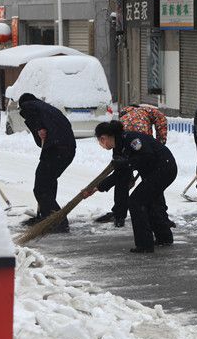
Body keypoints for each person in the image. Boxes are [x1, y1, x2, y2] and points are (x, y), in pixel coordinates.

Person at [87, 121, 177, 253]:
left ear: (104, 138)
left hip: (164, 168)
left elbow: (148, 156)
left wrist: (127, 163)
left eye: (100, 141)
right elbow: (120, 174)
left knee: (136, 202)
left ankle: (144, 245)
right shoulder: (118, 148)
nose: (101, 144)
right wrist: (98, 187)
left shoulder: (132, 140)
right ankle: (164, 237)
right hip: (154, 172)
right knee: (150, 202)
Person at [94, 104, 169, 227]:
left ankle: (119, 215)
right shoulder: (148, 112)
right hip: (137, 140)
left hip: (132, 141)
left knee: (124, 178)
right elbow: (162, 122)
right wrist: (160, 143)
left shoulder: (123, 120)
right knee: (150, 182)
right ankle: (162, 214)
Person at [19, 93, 76, 233]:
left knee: (40, 187)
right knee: (48, 183)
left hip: (55, 149)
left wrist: (39, 127)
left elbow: (30, 111)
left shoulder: (30, 105)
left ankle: (59, 222)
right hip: (67, 150)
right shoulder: (47, 109)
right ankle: (47, 217)